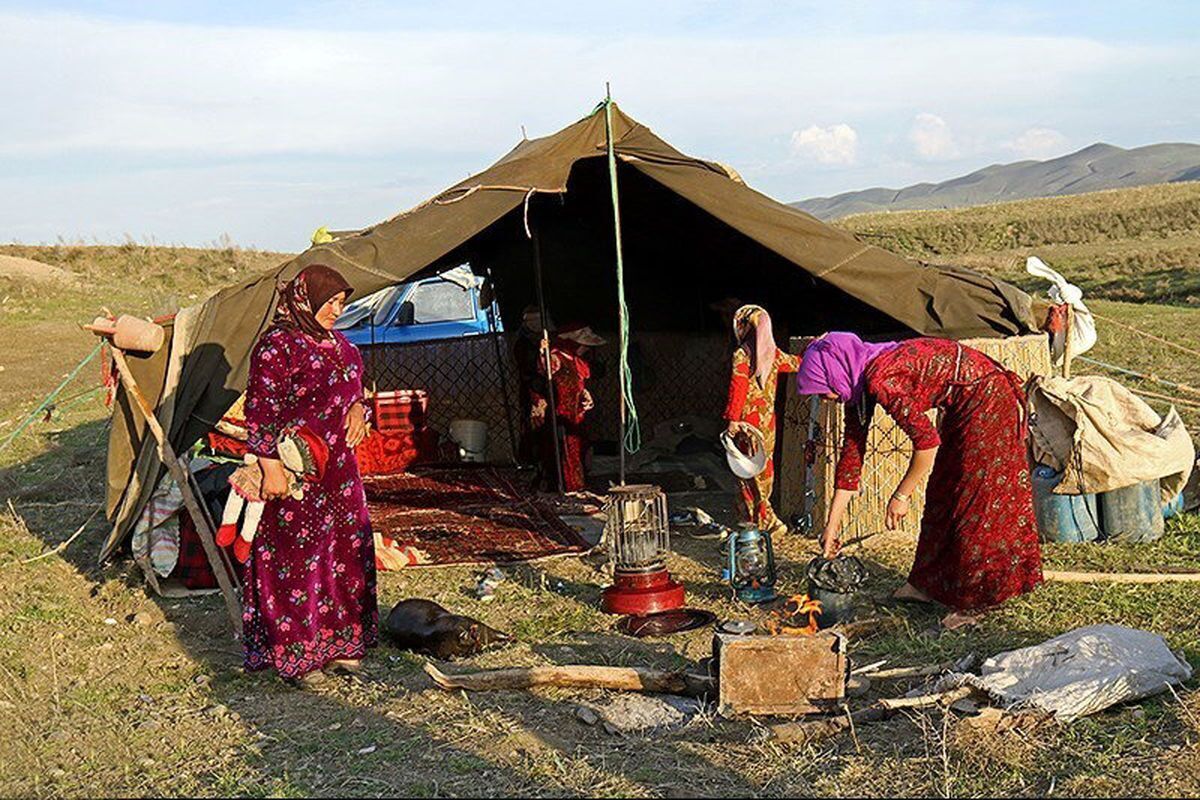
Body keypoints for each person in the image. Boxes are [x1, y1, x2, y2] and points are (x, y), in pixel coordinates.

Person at [796, 332, 1042, 629]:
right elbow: (850, 460)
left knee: (972, 497)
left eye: (824, 390)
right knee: (942, 491)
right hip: (963, 402)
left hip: (988, 397)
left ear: (836, 372)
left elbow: (927, 443)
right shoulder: (857, 384)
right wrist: (831, 529)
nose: (825, 398)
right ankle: (923, 585)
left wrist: (901, 496)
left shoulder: (881, 378)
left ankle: (975, 601)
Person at [242, 264, 377, 684]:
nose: (335, 309)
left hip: (340, 469)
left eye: (341, 302)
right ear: (306, 298)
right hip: (296, 468)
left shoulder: (345, 348)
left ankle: (341, 643)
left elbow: (355, 392)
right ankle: (298, 652)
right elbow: (259, 412)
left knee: (345, 550)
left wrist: (360, 408)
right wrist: (270, 469)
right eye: (329, 301)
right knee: (295, 557)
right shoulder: (277, 347)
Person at [723, 305, 799, 537]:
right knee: (763, 469)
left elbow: (738, 388)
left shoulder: (743, 355)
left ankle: (761, 520)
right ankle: (760, 517)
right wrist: (820, 349)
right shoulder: (773, 355)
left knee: (746, 470)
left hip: (747, 423)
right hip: (766, 423)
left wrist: (733, 420)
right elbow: (798, 363)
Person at [534, 322, 606, 492]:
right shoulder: (556, 358)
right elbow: (546, 369)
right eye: (584, 346)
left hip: (576, 416)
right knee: (564, 453)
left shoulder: (575, 361)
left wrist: (585, 395)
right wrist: (543, 353)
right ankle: (567, 488)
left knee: (579, 452)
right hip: (560, 415)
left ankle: (577, 486)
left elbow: (577, 385)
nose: (587, 350)